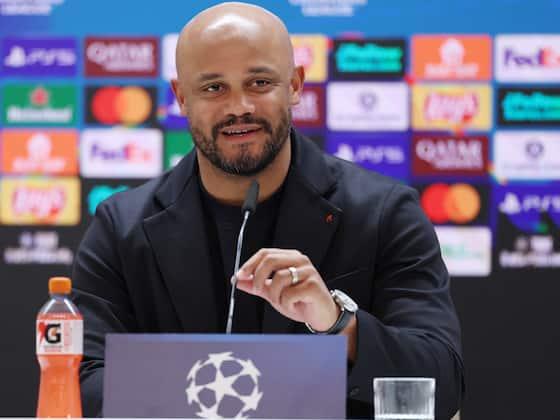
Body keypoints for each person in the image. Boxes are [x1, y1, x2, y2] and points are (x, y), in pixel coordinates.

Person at [72, 2, 464, 418]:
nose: (238, 106)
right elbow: (79, 384)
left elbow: (441, 384)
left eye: (259, 82)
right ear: (182, 98)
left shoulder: (384, 213)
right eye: (213, 88)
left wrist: (338, 324)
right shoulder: (121, 228)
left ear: (294, 85)